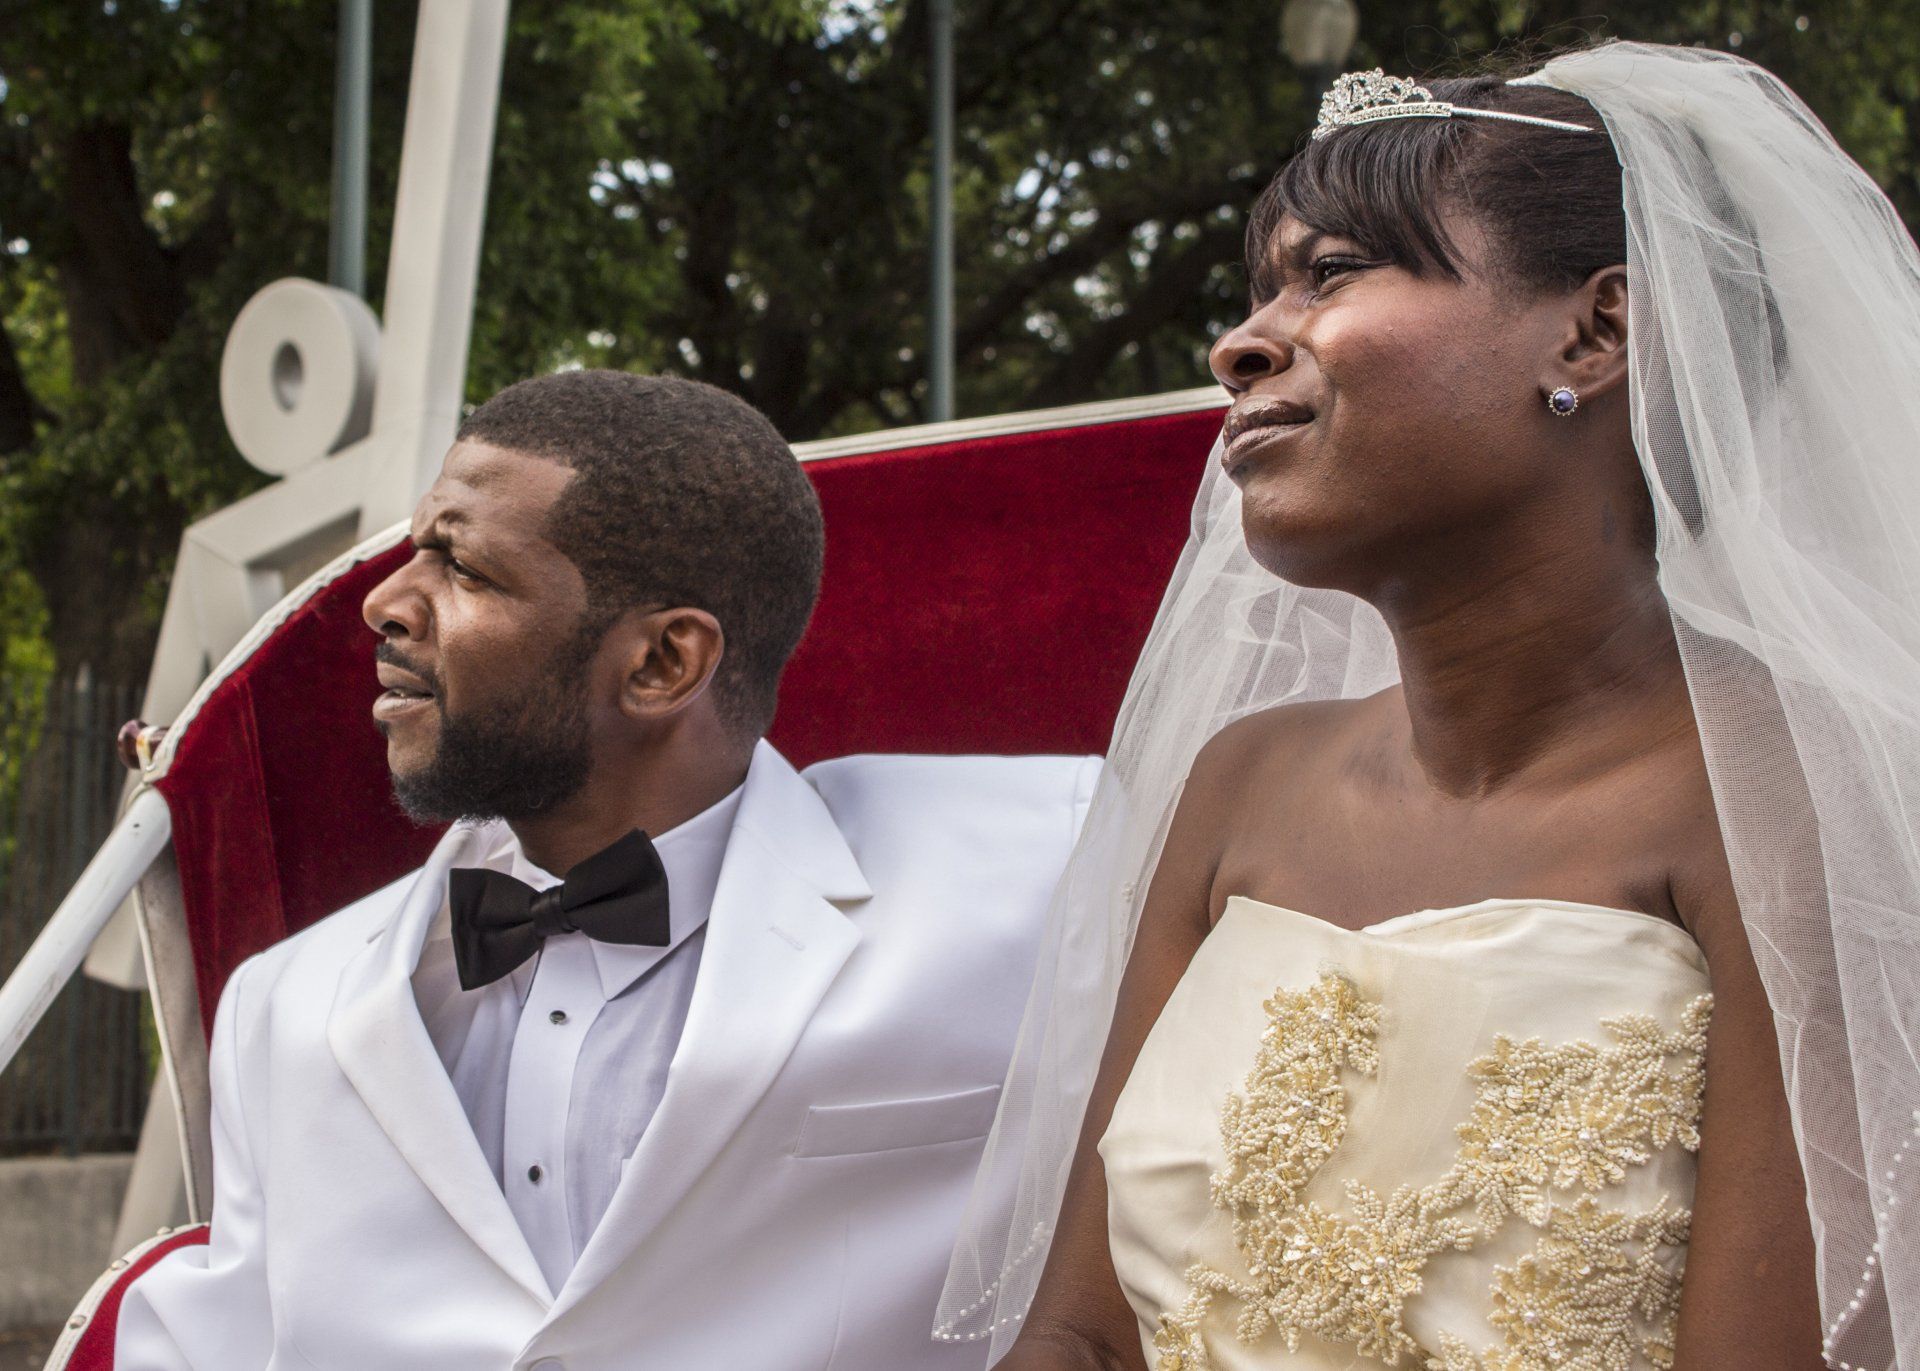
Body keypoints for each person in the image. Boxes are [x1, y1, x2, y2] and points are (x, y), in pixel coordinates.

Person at [939, 42, 1920, 1371]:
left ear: (1598, 329)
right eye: (1258, 286)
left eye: (1332, 271)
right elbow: (1079, 1332)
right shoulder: (1242, 779)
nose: (1242, 342)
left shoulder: (1789, 786)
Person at [110, 370, 1100, 1369]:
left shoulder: (1043, 867)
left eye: (461, 568)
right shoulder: (283, 1005)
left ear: (662, 663)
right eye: (415, 550)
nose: (383, 602)